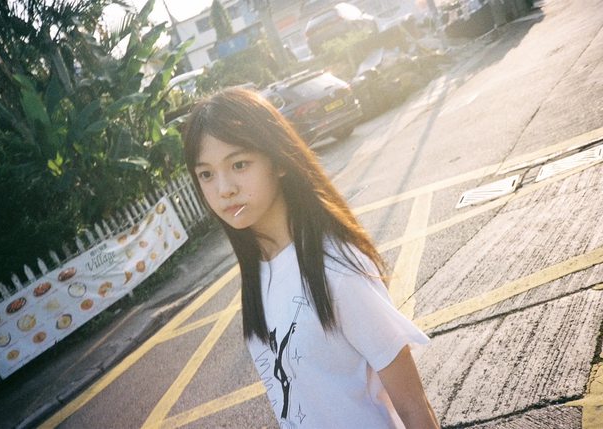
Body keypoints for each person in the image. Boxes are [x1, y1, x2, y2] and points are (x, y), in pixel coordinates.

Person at [183, 88, 440, 429]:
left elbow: (413, 406)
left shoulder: (334, 266)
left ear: (278, 161)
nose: (224, 188)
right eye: (206, 174)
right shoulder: (259, 269)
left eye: (239, 164)